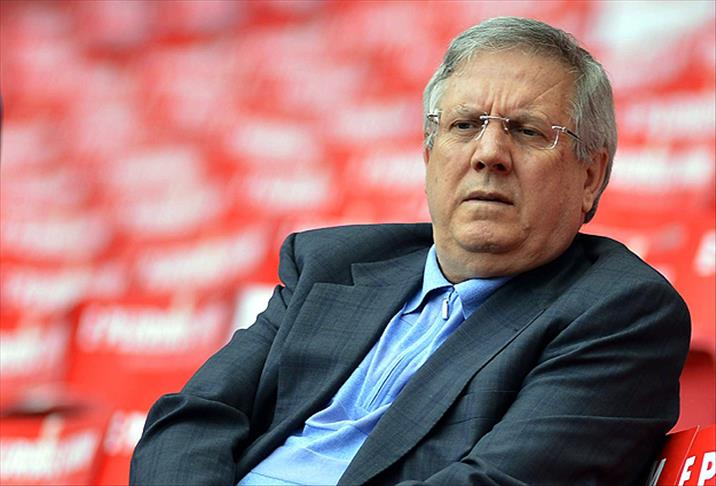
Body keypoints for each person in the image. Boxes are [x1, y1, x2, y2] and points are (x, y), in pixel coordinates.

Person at [130, 16, 690, 486]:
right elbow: (191, 420)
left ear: (590, 176)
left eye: (527, 131)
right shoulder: (328, 264)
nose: (489, 154)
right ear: (428, 154)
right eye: (464, 125)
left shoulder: (620, 311)